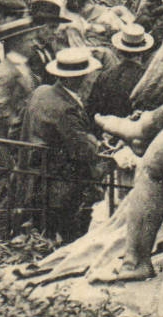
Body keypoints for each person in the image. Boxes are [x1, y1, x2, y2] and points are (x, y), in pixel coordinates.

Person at [0, 15, 48, 236]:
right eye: (29, 40)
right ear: (16, 42)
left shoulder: (21, 67)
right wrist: (18, 125)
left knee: (17, 192)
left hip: (16, 143)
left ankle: (12, 235)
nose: (34, 44)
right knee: (6, 193)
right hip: (5, 145)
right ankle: (1, 239)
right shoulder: (5, 71)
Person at [25, 46, 104, 241]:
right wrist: (97, 142)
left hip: (34, 175)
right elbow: (83, 149)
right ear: (77, 79)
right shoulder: (66, 109)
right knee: (69, 234)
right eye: (87, 76)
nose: (90, 80)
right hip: (60, 186)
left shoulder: (41, 91)